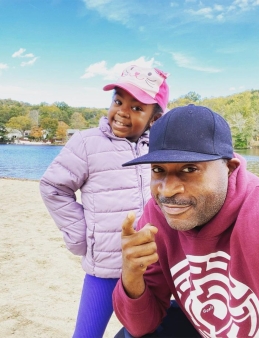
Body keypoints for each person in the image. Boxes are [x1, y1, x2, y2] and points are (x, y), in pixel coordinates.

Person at [113, 104, 259, 338]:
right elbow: (140, 326)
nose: (168, 190)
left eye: (189, 169)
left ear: (229, 169)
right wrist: (131, 272)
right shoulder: (159, 215)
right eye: (158, 169)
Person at [39, 65, 169, 338]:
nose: (122, 111)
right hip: (106, 265)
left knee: (152, 330)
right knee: (87, 334)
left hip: (154, 265)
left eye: (136, 108)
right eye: (118, 101)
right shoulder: (86, 143)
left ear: (154, 119)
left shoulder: (160, 149)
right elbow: (53, 187)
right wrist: (80, 234)